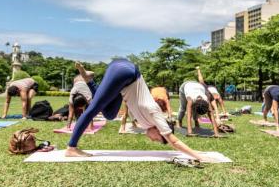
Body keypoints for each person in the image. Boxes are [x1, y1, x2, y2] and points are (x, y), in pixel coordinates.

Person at [65, 60, 214, 162]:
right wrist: (198, 156)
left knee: (109, 114)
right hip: (126, 73)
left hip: (122, 83)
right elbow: (174, 141)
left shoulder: (145, 123)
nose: (152, 139)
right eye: (157, 138)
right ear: (160, 129)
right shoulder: (156, 116)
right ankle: (71, 148)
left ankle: (89, 80)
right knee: (93, 109)